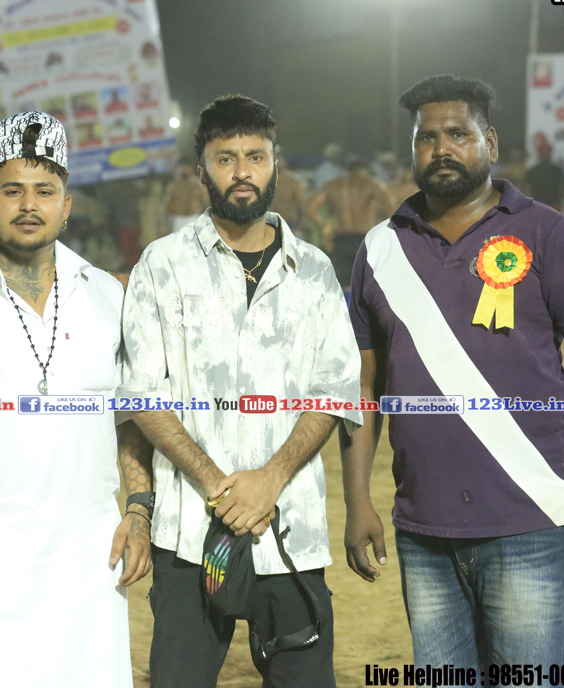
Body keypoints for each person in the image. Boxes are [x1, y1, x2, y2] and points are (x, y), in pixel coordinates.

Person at [344, 76, 564, 671]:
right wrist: (357, 501)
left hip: (529, 518)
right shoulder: (379, 248)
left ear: (490, 142)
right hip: (423, 528)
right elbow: (363, 388)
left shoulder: (548, 232)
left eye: (458, 134)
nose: (441, 148)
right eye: (426, 138)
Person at [121, 95, 361, 688]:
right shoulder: (162, 265)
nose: (242, 171)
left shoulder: (314, 271)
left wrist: (270, 479)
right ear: (201, 170)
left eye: (255, 156)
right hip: (189, 535)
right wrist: (217, 486)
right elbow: (141, 394)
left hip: (290, 530)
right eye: (225, 159)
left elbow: (334, 391)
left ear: (276, 164)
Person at [0, 111, 152, 687]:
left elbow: (128, 419)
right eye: (12, 190)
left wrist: (139, 512)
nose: (28, 204)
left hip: (89, 561)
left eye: (44, 191)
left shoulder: (107, 295)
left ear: (66, 206)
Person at [305, 160, 394, 288]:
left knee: (341, 285)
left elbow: (310, 209)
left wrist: (325, 227)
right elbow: (392, 212)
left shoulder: (332, 186)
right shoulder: (372, 185)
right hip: (365, 238)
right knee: (367, 285)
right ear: (365, 171)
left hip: (340, 238)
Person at [164, 157, 208, 233]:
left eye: (186, 166)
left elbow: (206, 204)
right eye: (182, 166)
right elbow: (167, 206)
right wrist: (165, 224)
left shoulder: (199, 185)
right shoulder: (173, 186)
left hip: (194, 219)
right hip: (178, 220)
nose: (184, 169)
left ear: (191, 168)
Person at [269, 150, 307, 234]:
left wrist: (298, 228)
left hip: (289, 225)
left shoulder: (293, 182)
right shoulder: (260, 182)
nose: (277, 161)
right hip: (266, 227)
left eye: (279, 158)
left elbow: (301, 206)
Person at [523, 144, 564, 211]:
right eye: (543, 153)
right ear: (539, 154)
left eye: (547, 153)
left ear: (550, 154)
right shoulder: (532, 172)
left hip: (554, 206)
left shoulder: (557, 171)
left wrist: (560, 200)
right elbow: (525, 188)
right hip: (537, 206)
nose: (545, 155)